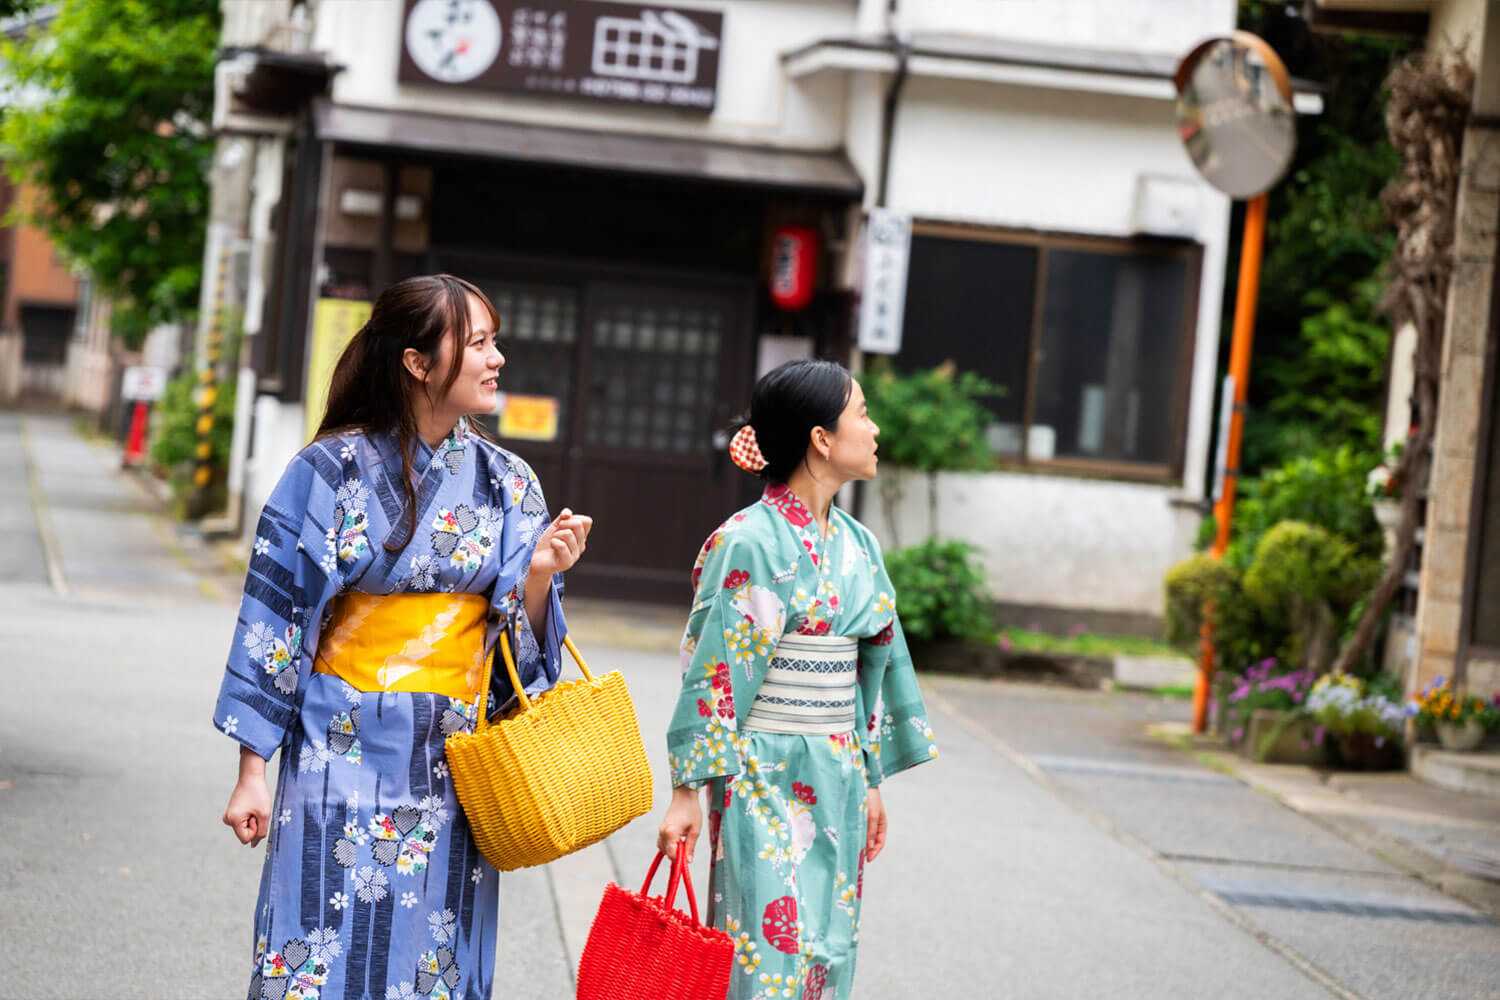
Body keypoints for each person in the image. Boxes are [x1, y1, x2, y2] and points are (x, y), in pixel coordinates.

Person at [214, 274, 592, 1000]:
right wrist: (252, 769)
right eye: (477, 342)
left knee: (432, 962)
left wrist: (540, 575)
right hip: (336, 746)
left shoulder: (509, 481)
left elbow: (520, 646)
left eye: (493, 341)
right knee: (316, 943)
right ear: (418, 363)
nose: (497, 357)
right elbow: (277, 618)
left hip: (452, 764)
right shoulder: (328, 471)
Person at [657, 359, 937, 1000]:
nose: (873, 429)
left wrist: (868, 777)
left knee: (827, 950)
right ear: (821, 439)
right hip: (761, 769)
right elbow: (714, 673)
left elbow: (875, 668)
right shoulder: (748, 542)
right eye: (861, 414)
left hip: (836, 767)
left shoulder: (859, 545)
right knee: (760, 954)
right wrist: (687, 791)